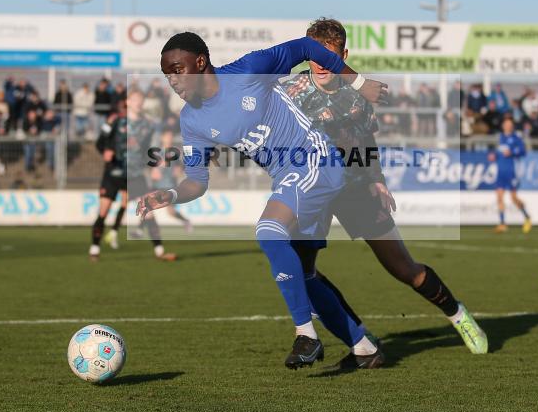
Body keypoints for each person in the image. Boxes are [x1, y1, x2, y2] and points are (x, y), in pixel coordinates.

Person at [138, 31, 388, 369]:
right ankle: (364, 349)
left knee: (269, 231)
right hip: (289, 177)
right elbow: (197, 181)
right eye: (166, 73)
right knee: (303, 273)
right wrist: (168, 194)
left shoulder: (249, 70)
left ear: (200, 63)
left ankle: (307, 336)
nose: (172, 80)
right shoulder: (191, 119)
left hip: (317, 159)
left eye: (177, 70)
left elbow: (305, 46)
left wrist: (355, 83)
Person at [280, 18, 488, 367]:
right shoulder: (291, 91)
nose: (319, 62)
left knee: (403, 267)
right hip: (313, 190)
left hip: (357, 188)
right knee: (302, 270)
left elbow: (367, 139)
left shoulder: (359, 97)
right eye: (313, 54)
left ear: (344, 54)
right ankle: (361, 342)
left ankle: (457, 315)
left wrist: (377, 179)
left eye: (328, 55)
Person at [91, 97, 176, 262]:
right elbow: (100, 142)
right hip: (113, 173)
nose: (138, 102)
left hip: (135, 175)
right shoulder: (115, 121)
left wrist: (156, 165)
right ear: (128, 102)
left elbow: (149, 150)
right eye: (135, 99)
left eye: (141, 99)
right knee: (103, 211)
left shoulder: (146, 125)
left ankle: (159, 251)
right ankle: (94, 249)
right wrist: (106, 152)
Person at [489, 117, 532, 233]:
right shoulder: (500, 138)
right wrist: (494, 155)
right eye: (506, 124)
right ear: (503, 125)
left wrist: (512, 152)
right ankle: (502, 223)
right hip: (500, 172)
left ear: (512, 126)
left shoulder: (516, 138)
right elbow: (498, 152)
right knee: (499, 197)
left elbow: (523, 151)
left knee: (513, 198)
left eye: (509, 124)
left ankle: (527, 217)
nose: (507, 126)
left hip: (511, 171)